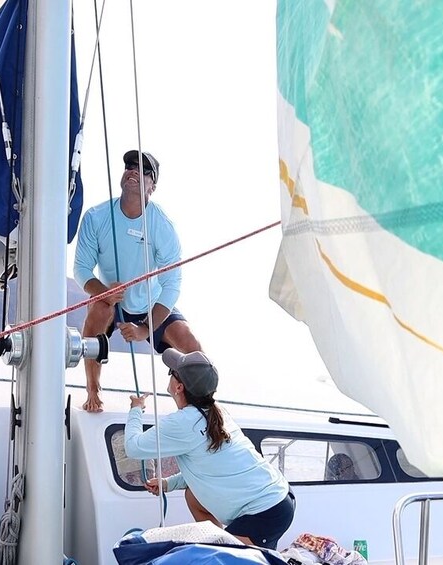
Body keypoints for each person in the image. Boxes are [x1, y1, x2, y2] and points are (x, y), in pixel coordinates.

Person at [125, 349, 295, 549]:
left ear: (179, 387)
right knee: (193, 496)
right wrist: (168, 483)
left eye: (171, 372)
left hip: (265, 511)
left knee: (223, 557)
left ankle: (221, 545)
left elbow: (133, 447)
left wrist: (136, 408)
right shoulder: (217, 412)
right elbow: (210, 467)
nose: (170, 375)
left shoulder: (183, 422)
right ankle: (219, 540)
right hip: (279, 498)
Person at [73, 150, 201, 412]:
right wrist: (103, 292)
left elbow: (171, 285)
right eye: (129, 166)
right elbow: (81, 268)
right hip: (112, 300)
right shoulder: (96, 218)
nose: (133, 170)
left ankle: (202, 408)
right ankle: (93, 391)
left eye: (143, 171)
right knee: (97, 306)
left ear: (152, 186)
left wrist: (145, 327)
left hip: (151, 304)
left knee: (191, 346)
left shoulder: (162, 226)